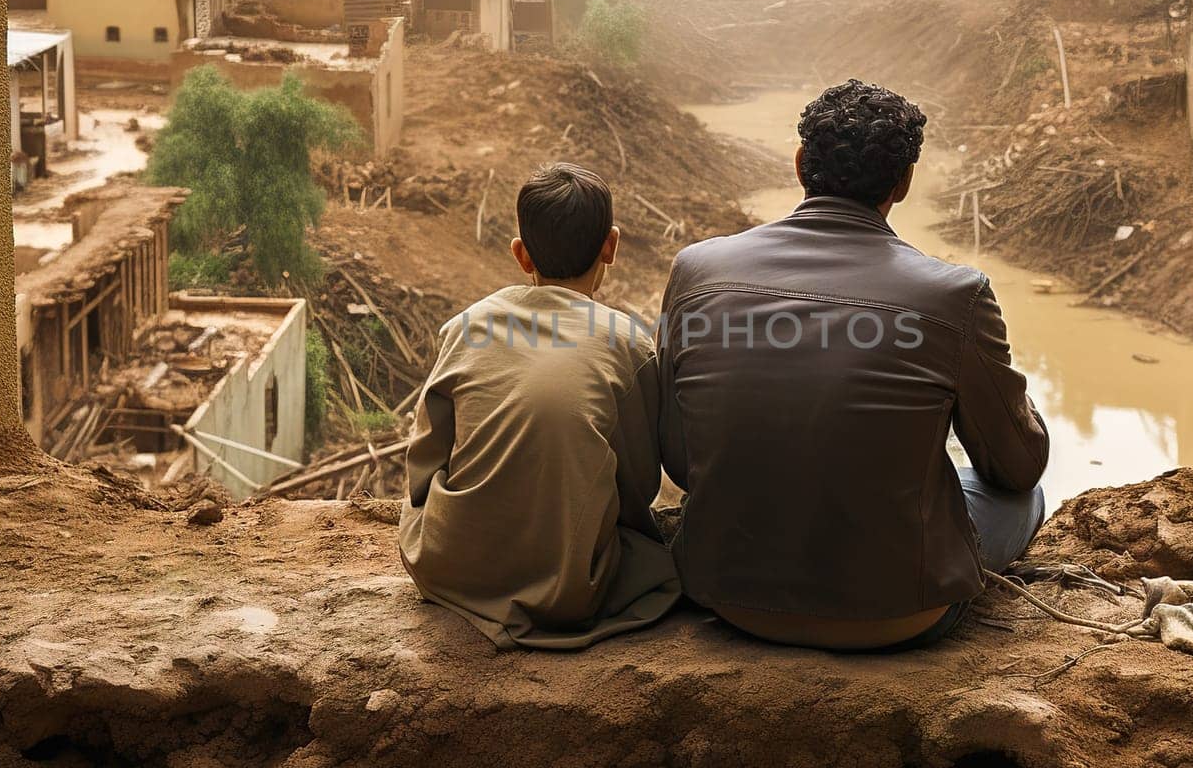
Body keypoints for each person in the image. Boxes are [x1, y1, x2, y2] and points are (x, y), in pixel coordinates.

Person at [656, 80, 1050, 652]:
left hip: (726, 597)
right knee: (1021, 498)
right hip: (897, 616)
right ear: (905, 182)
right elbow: (1016, 469)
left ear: (799, 165)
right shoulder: (955, 295)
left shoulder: (696, 270)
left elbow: (680, 459)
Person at [401, 163, 679, 649]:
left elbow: (424, 462)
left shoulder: (465, 326)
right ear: (610, 246)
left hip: (443, 565)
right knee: (661, 563)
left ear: (520, 254)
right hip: (563, 594)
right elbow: (637, 485)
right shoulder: (629, 345)